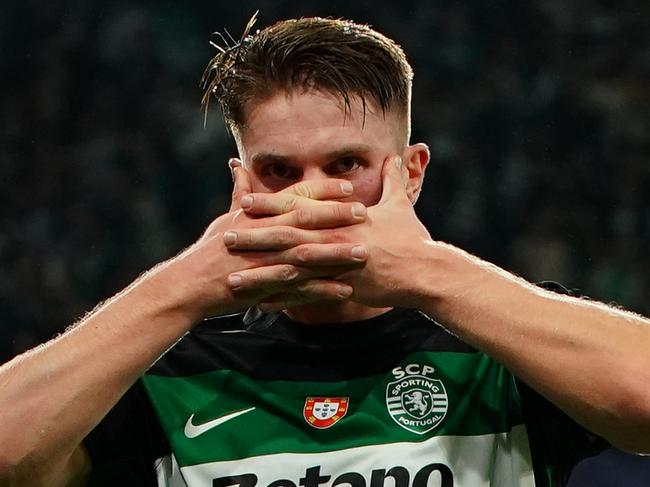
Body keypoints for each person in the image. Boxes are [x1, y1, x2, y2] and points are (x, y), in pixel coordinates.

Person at [1, 16, 649, 487]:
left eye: (346, 164)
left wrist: (428, 271)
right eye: (279, 170)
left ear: (411, 172)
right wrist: (182, 287)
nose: (312, 198)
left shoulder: (503, 350)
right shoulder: (173, 376)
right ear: (241, 183)